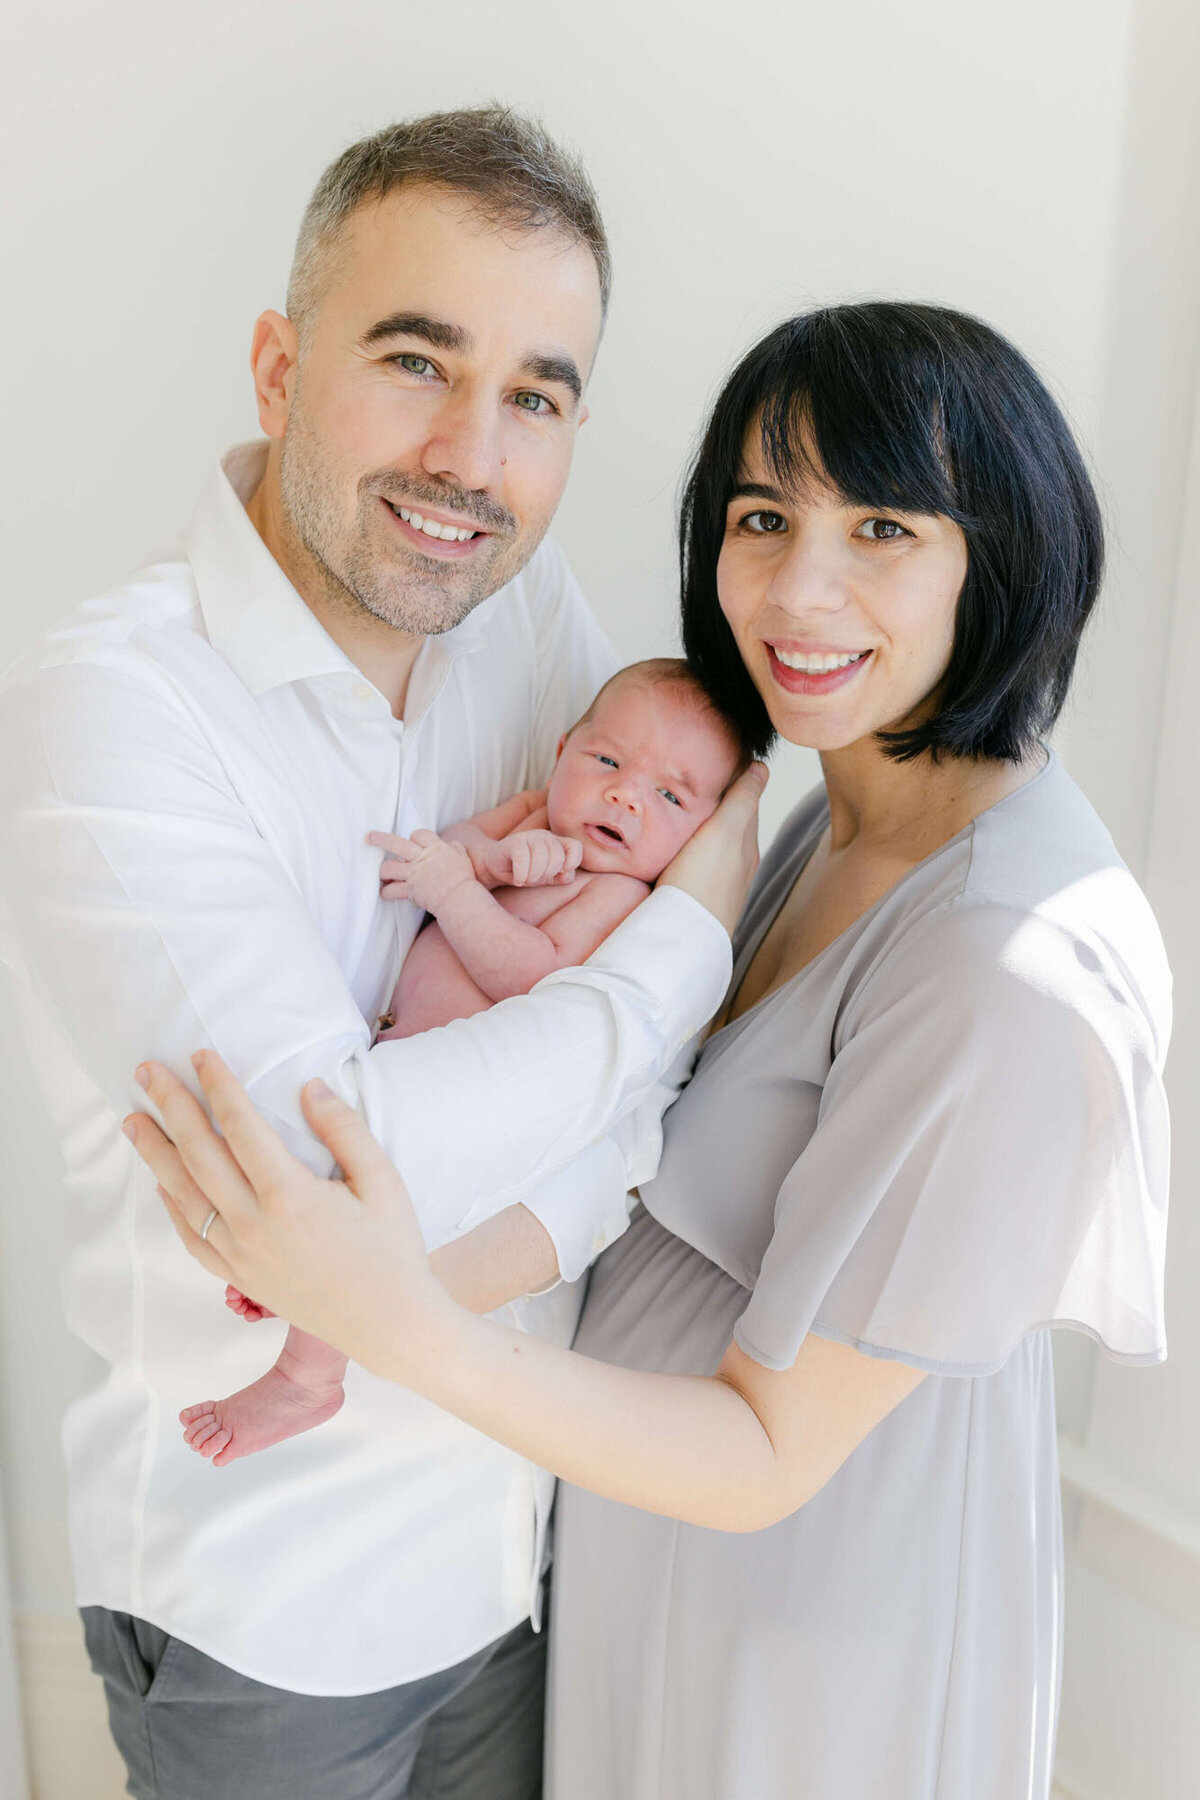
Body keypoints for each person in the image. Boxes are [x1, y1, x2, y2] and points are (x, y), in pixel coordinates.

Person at [128, 302, 1170, 1800]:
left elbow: (767, 1447)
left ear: (1001, 552)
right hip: (654, 1593)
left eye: (882, 525)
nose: (799, 591)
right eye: (763, 516)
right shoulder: (828, 817)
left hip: (806, 1655)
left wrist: (395, 1322)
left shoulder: (1007, 966)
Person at [0, 105, 764, 1800]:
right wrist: (673, 959)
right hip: (270, 1612)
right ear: (278, 366)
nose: (472, 461)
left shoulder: (528, 623)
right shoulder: (113, 709)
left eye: (537, 397)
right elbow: (316, 1186)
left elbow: (621, 1107)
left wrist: (594, 1157)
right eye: (417, 361)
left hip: (515, 1552)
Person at [181, 659, 752, 1467]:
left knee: (374, 1218)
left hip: (460, 1120)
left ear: (700, 837)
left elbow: (533, 972)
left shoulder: (619, 898)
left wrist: (458, 893)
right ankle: (290, 1279)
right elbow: (448, 851)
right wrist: (488, 858)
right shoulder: (532, 817)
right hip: (391, 1060)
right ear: (562, 753)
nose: (626, 794)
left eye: (671, 796)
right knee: (320, 1187)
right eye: (608, 762)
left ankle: (309, 1375)